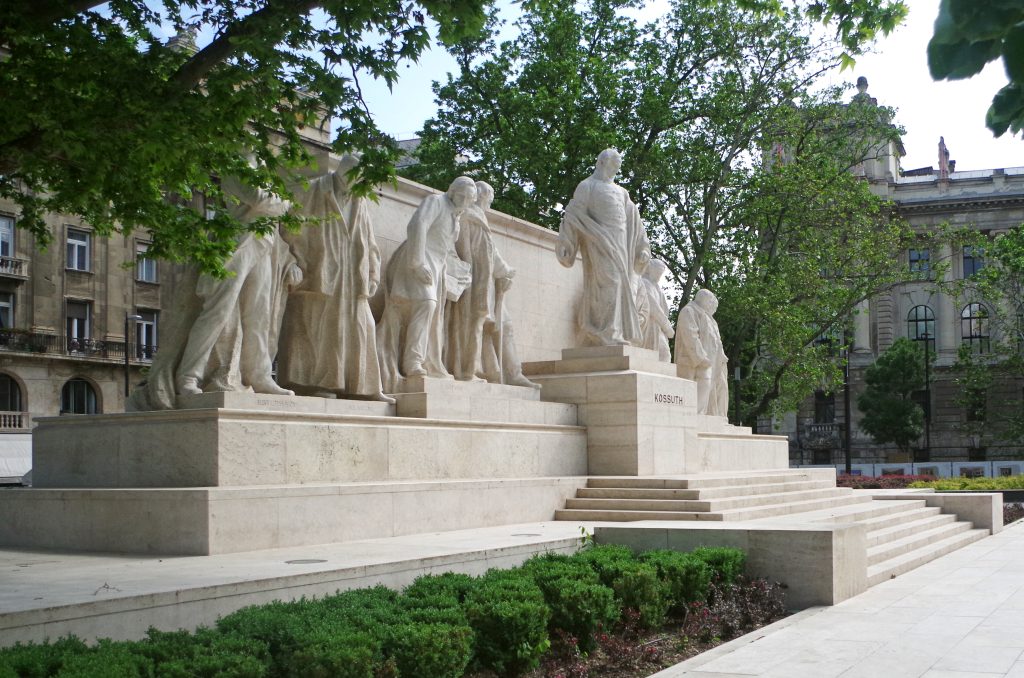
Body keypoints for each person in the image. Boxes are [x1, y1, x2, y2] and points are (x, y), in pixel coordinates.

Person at [275, 154, 392, 402]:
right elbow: (288, 227)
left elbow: (369, 241)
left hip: (352, 275)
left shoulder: (360, 199)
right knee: (321, 329)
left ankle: (366, 388)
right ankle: (320, 385)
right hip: (319, 271)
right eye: (354, 176)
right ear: (343, 172)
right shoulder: (314, 189)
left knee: (363, 326)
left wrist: (373, 273)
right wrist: (293, 262)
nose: (358, 182)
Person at [175, 176, 299, 397]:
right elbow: (259, 199)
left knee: (259, 315)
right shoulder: (238, 167)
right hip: (236, 243)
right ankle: (189, 376)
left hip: (263, 244)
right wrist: (283, 202)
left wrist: (278, 203)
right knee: (217, 312)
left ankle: (259, 375)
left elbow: (269, 204)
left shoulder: (261, 169)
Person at [377, 176, 477, 392]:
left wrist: (458, 273)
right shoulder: (436, 202)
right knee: (427, 303)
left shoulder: (455, 217)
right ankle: (412, 361)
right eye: (463, 196)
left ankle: (425, 360)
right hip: (418, 259)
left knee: (432, 311)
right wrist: (417, 262)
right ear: (453, 191)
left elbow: (447, 248)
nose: (465, 201)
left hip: (437, 266)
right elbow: (417, 225)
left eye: (469, 199)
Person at [445, 181, 537, 387]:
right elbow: (474, 252)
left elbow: (490, 251)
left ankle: (512, 373)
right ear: (481, 196)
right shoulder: (469, 216)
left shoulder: (479, 219)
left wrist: (505, 270)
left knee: (504, 326)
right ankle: (472, 371)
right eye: (489, 198)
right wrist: (500, 271)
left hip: (489, 284)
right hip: (475, 283)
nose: (490, 203)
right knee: (478, 327)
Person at [556, 148, 651, 346]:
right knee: (611, 283)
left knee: (618, 285)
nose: (615, 171)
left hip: (621, 245)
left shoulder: (622, 192)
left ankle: (611, 330)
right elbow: (574, 215)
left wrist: (642, 247)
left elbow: (635, 220)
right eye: (612, 166)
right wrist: (566, 242)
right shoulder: (587, 186)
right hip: (598, 242)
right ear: (601, 163)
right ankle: (605, 332)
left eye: (617, 167)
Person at [674, 289, 729, 416]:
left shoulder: (708, 317)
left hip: (711, 361)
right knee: (699, 388)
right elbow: (690, 335)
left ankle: (704, 415)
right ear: (703, 299)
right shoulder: (689, 311)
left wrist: (721, 356)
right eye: (710, 301)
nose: (711, 304)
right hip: (694, 361)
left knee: (715, 388)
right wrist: (701, 358)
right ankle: (696, 415)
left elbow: (716, 341)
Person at [637, 258, 674, 362]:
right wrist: (666, 326)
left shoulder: (656, 287)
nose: (659, 276)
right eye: (658, 272)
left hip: (656, 327)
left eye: (660, 273)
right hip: (648, 325)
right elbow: (654, 307)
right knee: (663, 354)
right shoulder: (644, 283)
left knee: (663, 355)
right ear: (650, 269)